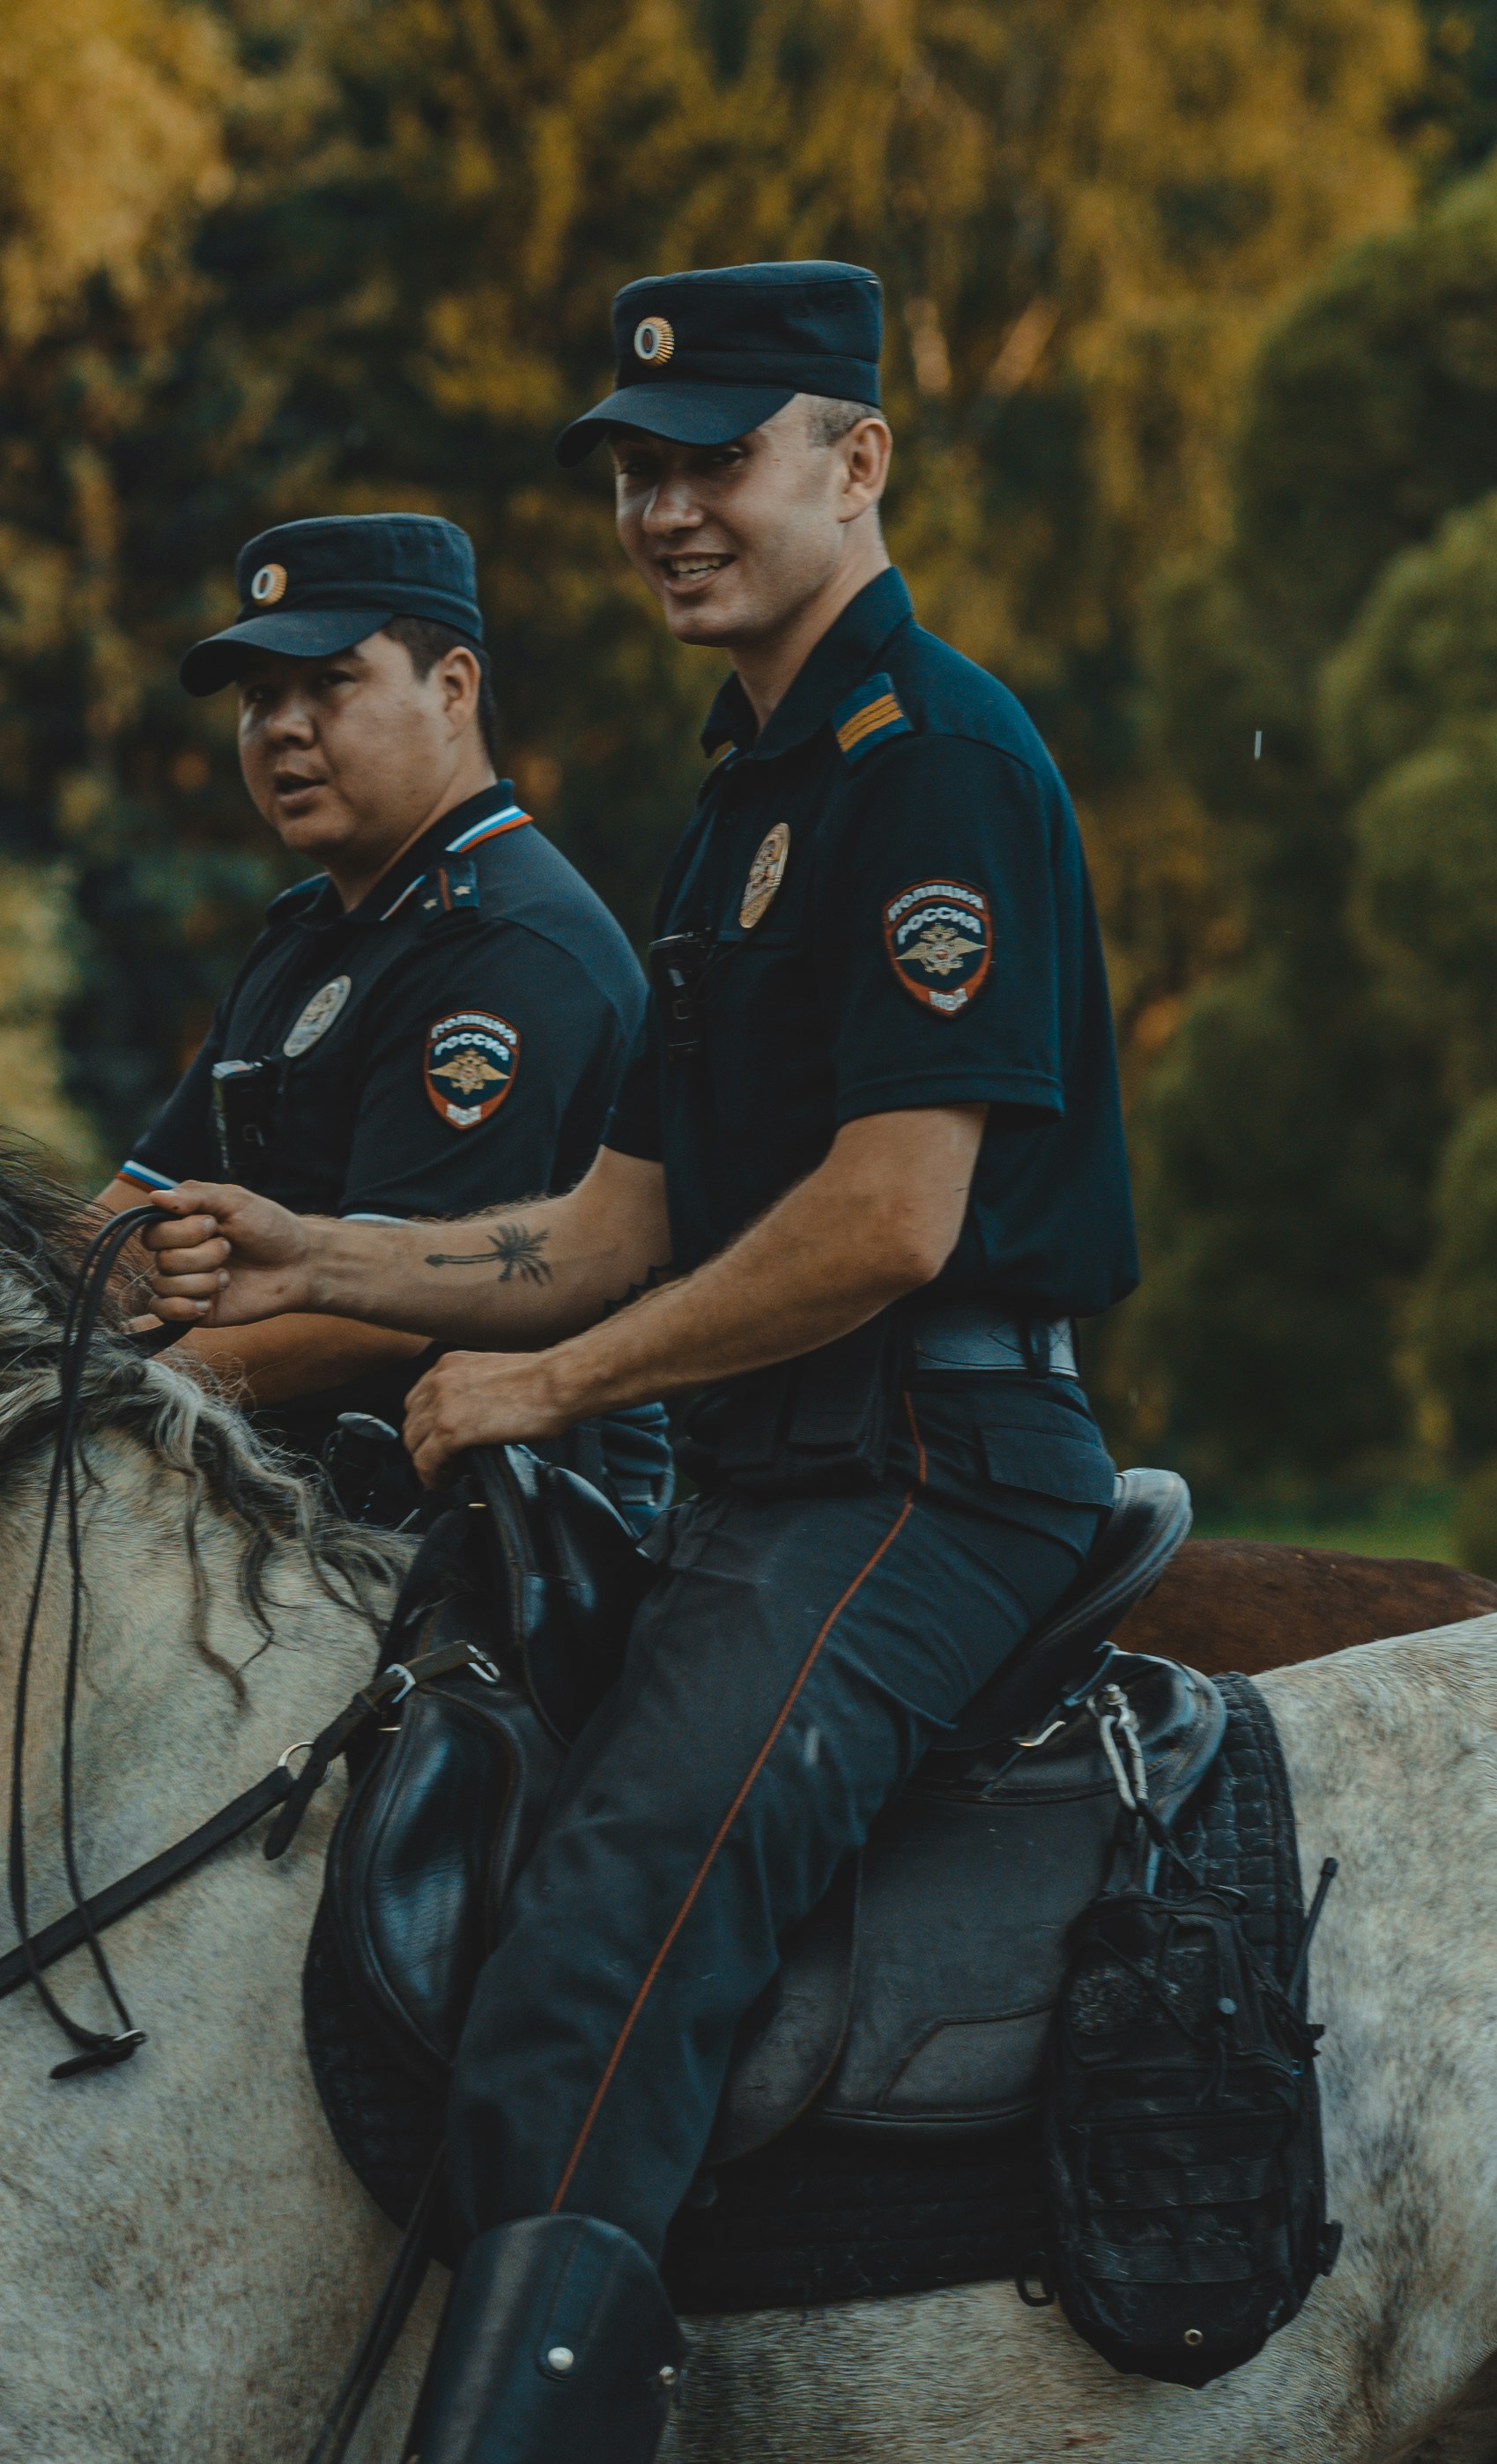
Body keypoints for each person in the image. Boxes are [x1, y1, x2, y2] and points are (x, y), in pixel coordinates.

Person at [141, 262, 1137, 2462]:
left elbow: (888, 1215)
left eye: (712, 458)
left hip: (929, 1464)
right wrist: (336, 1244)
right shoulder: (744, 797)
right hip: (775, 1477)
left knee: (581, 1967)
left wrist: (561, 1387)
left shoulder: (930, 764)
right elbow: (613, 1222)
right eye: (628, 468)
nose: (656, 506)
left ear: (852, 459)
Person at [101, 513, 664, 1524]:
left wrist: (97, 1389)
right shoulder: (312, 933)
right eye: (259, 697)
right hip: (293, 1532)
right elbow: (130, 1217)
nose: (283, 726)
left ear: (453, 689)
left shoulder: (509, 950)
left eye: (331, 682)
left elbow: (382, 1321)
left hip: (480, 1557)